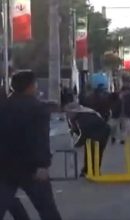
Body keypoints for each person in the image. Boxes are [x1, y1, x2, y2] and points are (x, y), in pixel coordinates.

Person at [0, 71, 62, 220]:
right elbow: (41, 139)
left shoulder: (4, 107)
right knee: (47, 209)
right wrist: (43, 164)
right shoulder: (38, 108)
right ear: (30, 86)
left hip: (5, 166)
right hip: (31, 167)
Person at [65, 103, 110, 177]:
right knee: (88, 150)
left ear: (75, 111)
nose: (67, 114)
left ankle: (95, 171)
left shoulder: (83, 118)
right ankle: (86, 170)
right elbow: (78, 129)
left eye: (69, 112)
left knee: (96, 151)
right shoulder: (79, 115)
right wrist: (73, 129)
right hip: (94, 131)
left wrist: (77, 144)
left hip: (102, 132)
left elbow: (84, 134)